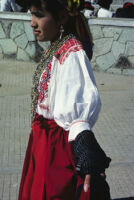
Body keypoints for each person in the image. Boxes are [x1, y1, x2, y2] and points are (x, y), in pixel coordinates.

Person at [17, 0, 111, 199]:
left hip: (56, 150)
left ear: (61, 17)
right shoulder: (56, 47)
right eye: (31, 15)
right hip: (42, 144)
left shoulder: (72, 53)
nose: (32, 23)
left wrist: (85, 150)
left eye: (39, 15)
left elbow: (77, 110)